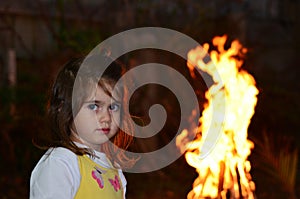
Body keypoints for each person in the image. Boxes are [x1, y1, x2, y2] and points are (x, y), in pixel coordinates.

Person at [30, 54, 137, 199]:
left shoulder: (114, 169)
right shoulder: (62, 164)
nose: (106, 117)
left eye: (113, 107)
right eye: (94, 106)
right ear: (65, 107)